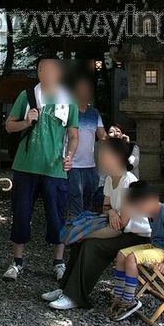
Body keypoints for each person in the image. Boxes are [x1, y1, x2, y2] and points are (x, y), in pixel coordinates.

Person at [43, 137, 150, 310]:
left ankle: (76, 297)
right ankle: (65, 289)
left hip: (136, 237)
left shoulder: (128, 181)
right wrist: (113, 211)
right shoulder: (110, 179)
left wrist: (84, 233)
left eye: (104, 154)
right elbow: (106, 209)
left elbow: (121, 226)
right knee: (80, 244)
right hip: (120, 230)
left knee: (91, 245)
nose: (99, 157)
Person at [3, 55, 79, 282]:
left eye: (48, 69)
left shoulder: (68, 99)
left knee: (57, 217)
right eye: (40, 70)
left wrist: (70, 156)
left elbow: (73, 135)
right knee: (20, 214)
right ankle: (17, 261)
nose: (43, 74)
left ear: (59, 73)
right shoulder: (26, 96)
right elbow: (8, 126)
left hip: (55, 168)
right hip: (25, 166)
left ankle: (58, 261)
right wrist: (26, 122)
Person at [109, 180, 164, 321]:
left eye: (139, 207)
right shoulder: (153, 211)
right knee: (121, 254)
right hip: (156, 246)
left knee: (132, 258)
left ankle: (129, 300)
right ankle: (119, 295)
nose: (139, 211)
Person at [66, 76, 107, 223]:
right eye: (81, 90)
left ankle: (85, 234)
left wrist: (116, 137)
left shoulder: (94, 113)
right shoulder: (69, 111)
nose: (84, 93)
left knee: (89, 200)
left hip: (90, 165)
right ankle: (75, 235)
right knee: (75, 199)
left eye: (87, 90)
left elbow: (102, 135)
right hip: (73, 164)